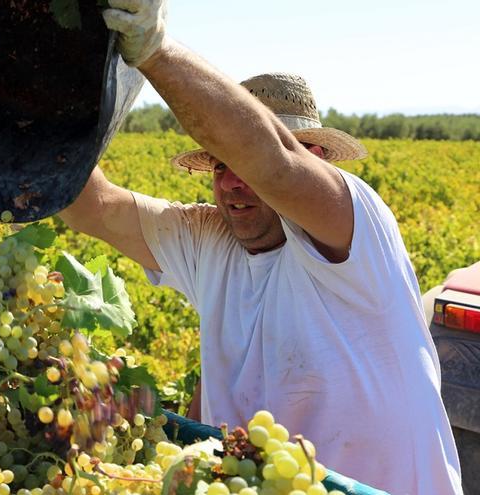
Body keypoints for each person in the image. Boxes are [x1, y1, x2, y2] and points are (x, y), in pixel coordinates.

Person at [58, 1, 464, 493]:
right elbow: (91, 206)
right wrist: (40, 103)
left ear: (316, 160)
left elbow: (272, 162)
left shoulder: (355, 223)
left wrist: (154, 49)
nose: (231, 184)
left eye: (239, 163)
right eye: (219, 166)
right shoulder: (208, 239)